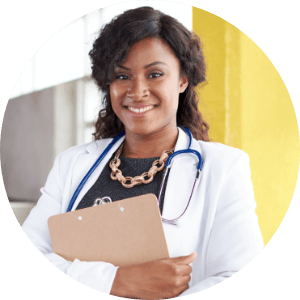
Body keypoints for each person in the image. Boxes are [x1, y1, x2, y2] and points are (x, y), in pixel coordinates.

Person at [22, 6, 264, 299]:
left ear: (183, 80)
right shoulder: (72, 164)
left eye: (155, 74)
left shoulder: (224, 167)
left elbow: (234, 271)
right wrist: (116, 280)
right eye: (122, 76)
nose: (137, 91)